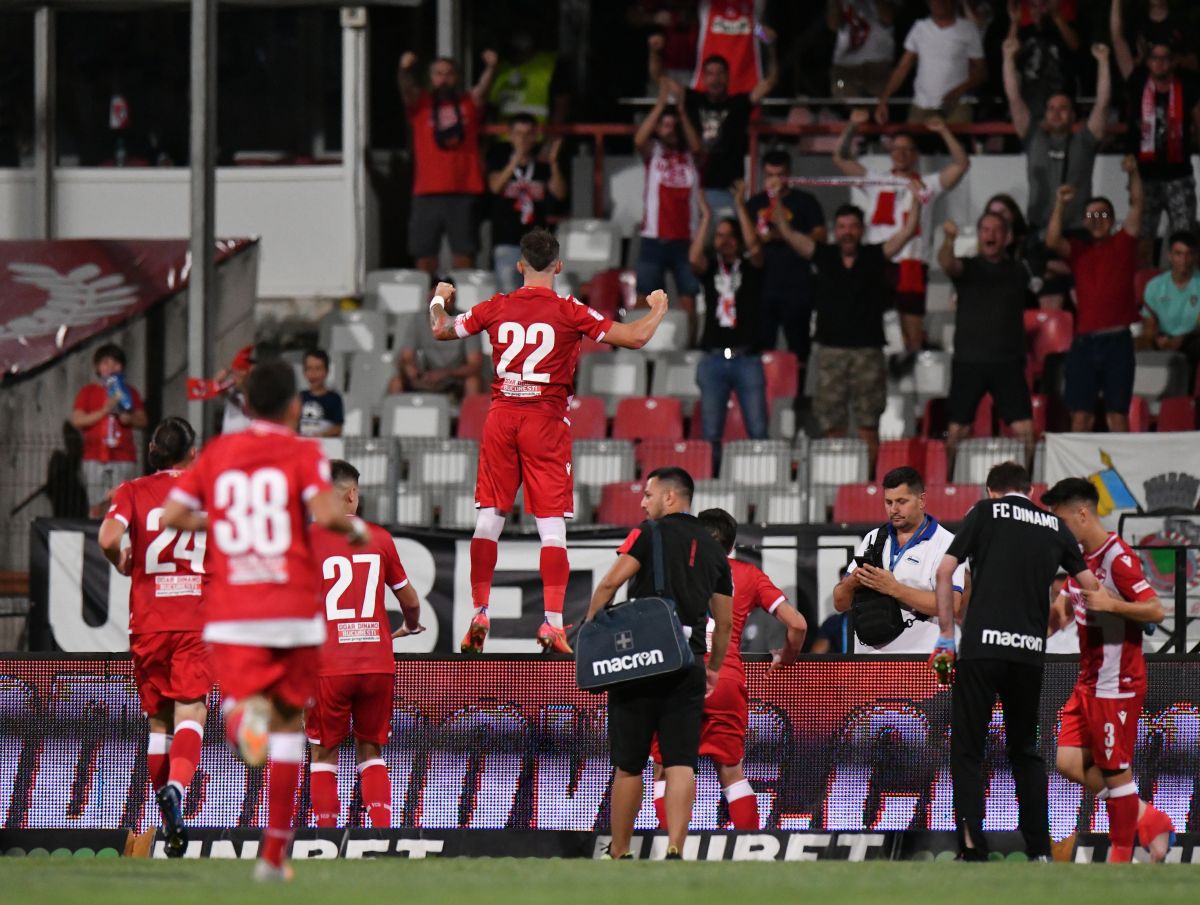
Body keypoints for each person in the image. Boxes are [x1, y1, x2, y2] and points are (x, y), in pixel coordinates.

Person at [161, 359, 371, 881]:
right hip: (293, 612)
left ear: (246, 404)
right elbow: (326, 516)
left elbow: (172, 517)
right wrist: (356, 534)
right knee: (287, 732)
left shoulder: (218, 453)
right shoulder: (303, 451)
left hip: (232, 614)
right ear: (296, 407)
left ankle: (238, 726)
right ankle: (272, 859)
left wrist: (224, 519)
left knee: (239, 710)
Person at [429, 228, 670, 654]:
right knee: (551, 527)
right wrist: (657, 309)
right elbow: (635, 338)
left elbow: (442, 329)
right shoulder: (569, 310)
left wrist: (439, 298)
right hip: (546, 420)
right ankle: (553, 623)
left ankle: (480, 611)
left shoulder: (496, 306)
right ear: (558, 265)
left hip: (502, 418)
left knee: (489, 519)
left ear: (520, 266)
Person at [932, 461, 1100, 861]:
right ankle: (1039, 850)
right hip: (1028, 653)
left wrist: (944, 637)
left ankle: (973, 847)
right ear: (1028, 489)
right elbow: (1090, 585)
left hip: (982, 648)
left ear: (993, 491)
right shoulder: (1054, 526)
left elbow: (944, 571)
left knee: (969, 749)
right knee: (1025, 751)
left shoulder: (984, 512)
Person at [585, 467, 734, 860]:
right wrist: (714, 666)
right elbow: (725, 621)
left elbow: (608, 585)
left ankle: (619, 851)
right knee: (682, 760)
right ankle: (674, 847)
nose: (642, 501)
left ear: (670, 497)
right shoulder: (716, 548)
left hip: (641, 660)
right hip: (689, 663)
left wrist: (590, 633)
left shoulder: (647, 534)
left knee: (630, 764)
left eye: (648, 494)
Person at [1041, 477, 1176, 862]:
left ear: (1083, 514)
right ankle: (1150, 819)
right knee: (1068, 761)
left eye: (1062, 520)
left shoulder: (1117, 556)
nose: (1059, 529)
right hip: (1088, 681)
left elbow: (1155, 610)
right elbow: (1060, 615)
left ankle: (1120, 857)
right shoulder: (1079, 559)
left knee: (1114, 772)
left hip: (1117, 684)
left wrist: (1112, 605)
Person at [650, 507, 807, 832]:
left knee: (666, 769)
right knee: (732, 772)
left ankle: (673, 848)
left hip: (677, 678)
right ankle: (748, 849)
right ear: (732, 546)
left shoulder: (672, 571)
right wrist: (788, 656)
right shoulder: (749, 575)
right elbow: (798, 625)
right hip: (725, 680)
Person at [97, 417, 208, 858]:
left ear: (151, 454)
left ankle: (168, 825)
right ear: (193, 454)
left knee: (158, 724)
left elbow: (108, 536)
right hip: (196, 618)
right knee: (192, 712)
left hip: (148, 622)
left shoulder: (132, 491)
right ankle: (177, 790)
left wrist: (122, 558)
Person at [307, 459, 424, 829]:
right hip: (376, 661)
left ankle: (325, 839)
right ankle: (382, 837)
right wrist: (409, 626)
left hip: (329, 664)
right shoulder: (380, 538)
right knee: (371, 752)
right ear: (352, 495)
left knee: (324, 753)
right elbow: (410, 600)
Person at [772, 194, 922, 466]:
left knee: (868, 424)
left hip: (868, 352)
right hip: (830, 351)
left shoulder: (875, 255)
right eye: (842, 227)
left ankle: (867, 483)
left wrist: (917, 199)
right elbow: (787, 232)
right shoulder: (824, 254)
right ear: (834, 230)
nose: (847, 232)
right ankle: (840, 479)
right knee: (832, 424)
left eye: (852, 226)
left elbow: (909, 231)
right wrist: (777, 197)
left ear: (861, 230)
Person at [834, 110, 971, 355]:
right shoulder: (875, 180)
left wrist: (943, 131)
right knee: (868, 327)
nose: (901, 153)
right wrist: (852, 127)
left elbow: (962, 164)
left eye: (907, 149)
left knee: (913, 335)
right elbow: (840, 158)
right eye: (896, 149)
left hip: (912, 264)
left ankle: (913, 384)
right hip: (877, 262)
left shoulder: (927, 185)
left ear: (916, 155)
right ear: (890, 153)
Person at [1046, 158, 1144, 432]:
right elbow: (1052, 240)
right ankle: (1077, 476)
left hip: (1118, 343)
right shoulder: (1078, 251)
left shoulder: (1124, 243)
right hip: (1084, 345)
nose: (1096, 220)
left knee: (1118, 417)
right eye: (1091, 216)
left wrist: (1134, 174)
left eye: (1102, 215)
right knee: (1081, 418)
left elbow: (1137, 205)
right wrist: (1061, 204)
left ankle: (1124, 474)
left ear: (1112, 220)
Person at [939, 212, 1037, 469]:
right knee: (955, 430)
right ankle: (946, 483)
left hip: (1008, 363)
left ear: (1007, 237)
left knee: (1026, 430)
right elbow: (947, 264)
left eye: (996, 230)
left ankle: (1028, 482)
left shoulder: (1019, 270)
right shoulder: (967, 267)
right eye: (985, 229)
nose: (990, 235)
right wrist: (949, 240)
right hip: (968, 362)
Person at [832, 467, 967, 653]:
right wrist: (851, 583)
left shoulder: (946, 543)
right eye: (888, 502)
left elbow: (951, 605)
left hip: (918, 659)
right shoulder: (872, 538)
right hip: (869, 662)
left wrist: (894, 589)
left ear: (922, 501)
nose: (894, 509)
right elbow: (840, 603)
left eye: (901, 502)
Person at [397, 50, 498, 276]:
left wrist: (491, 68)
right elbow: (406, 90)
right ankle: (430, 304)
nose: (444, 78)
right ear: (431, 78)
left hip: (464, 189)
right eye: (438, 73)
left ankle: (463, 304)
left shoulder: (469, 103)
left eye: (449, 74)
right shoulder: (421, 104)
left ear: (458, 78)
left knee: (464, 253)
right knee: (424, 254)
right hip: (426, 191)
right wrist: (404, 70)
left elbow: (483, 90)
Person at [1111, 22, 1200, 266]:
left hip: (1179, 176)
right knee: (1142, 239)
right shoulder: (1137, 83)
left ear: (1173, 62)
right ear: (1147, 61)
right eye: (1155, 58)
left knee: (1185, 240)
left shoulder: (1188, 87)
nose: (1160, 63)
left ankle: (1185, 296)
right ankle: (1144, 296)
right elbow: (1118, 41)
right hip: (1143, 176)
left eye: (1165, 58)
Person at [689, 205, 768, 473]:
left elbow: (756, 249)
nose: (725, 241)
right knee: (711, 431)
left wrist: (741, 209)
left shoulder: (751, 268)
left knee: (758, 428)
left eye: (730, 235)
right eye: (720, 236)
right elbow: (693, 258)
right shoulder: (711, 269)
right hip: (713, 359)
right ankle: (713, 481)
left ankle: (763, 477)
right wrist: (707, 219)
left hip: (747, 357)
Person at [1004, 39, 1111, 238]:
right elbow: (1014, 98)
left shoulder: (1084, 141)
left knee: (1104, 212)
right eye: (1051, 109)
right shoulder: (1033, 137)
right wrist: (1008, 58)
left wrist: (1103, 62)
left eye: (1063, 108)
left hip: (1078, 232)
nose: (1056, 113)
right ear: (1044, 114)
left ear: (1073, 115)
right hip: (1038, 231)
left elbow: (1102, 104)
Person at [634, 79, 704, 334]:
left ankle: (688, 345)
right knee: (645, 296)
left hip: (686, 238)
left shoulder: (691, 156)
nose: (669, 130)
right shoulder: (653, 151)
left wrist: (682, 113)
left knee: (688, 296)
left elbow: (697, 145)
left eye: (673, 126)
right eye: (664, 125)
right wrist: (661, 104)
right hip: (654, 236)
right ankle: (640, 343)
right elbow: (639, 138)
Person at [680, 38, 778, 218]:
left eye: (720, 74)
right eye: (710, 73)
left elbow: (770, 82)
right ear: (703, 77)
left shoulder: (738, 104)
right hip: (695, 189)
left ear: (727, 76)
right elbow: (660, 78)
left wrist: (770, 47)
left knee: (728, 242)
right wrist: (655, 51)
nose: (715, 79)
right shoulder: (693, 100)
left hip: (730, 191)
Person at [742, 151, 826, 361]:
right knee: (761, 345)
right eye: (770, 175)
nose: (774, 180)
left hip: (798, 284)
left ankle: (800, 391)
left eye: (779, 175)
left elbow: (820, 235)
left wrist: (785, 236)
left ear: (788, 173)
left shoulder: (805, 201)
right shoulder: (755, 203)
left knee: (799, 346)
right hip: (763, 285)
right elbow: (745, 239)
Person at [486, 113, 567, 294]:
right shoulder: (499, 160)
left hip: (537, 243)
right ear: (510, 135)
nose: (523, 139)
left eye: (528, 134)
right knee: (507, 293)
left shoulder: (541, 166)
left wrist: (553, 163)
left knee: (538, 294)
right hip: (507, 240)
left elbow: (559, 193)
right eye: (519, 134)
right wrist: (515, 159)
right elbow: (495, 186)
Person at [875, 0, 986, 125]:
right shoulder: (920, 28)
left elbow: (981, 72)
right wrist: (884, 100)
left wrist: (958, 90)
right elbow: (902, 68)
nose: (938, 4)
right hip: (921, 106)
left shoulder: (968, 30)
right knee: (913, 143)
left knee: (954, 143)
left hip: (957, 106)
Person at [71, 342, 148, 512]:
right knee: (95, 504)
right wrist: (104, 410)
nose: (111, 367)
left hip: (123, 455)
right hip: (94, 455)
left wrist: (129, 419)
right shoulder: (88, 391)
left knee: (120, 502)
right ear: (98, 367)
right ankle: (96, 534)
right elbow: (78, 420)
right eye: (106, 363)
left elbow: (143, 420)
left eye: (115, 363)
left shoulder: (130, 392)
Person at [389, 291, 485, 398]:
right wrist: (411, 368)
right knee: (396, 382)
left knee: (473, 382)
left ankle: (470, 414)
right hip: (426, 376)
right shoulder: (417, 320)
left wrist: (446, 373)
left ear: (453, 299)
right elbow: (407, 356)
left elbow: (475, 365)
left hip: (455, 379)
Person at [1141, 230, 1200, 387]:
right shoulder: (1154, 286)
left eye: (1189, 254)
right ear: (1169, 256)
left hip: (1192, 339)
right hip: (1164, 338)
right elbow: (1149, 323)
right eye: (1178, 254)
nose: (1184, 260)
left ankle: (1187, 402)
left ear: (1195, 257)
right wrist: (1156, 340)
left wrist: (1181, 339)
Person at [1006, 0, 1081, 122]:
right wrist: (1014, 23)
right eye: (1033, 6)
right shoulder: (1025, 31)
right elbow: (1009, 53)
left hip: (1060, 99)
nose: (1037, 11)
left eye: (1042, 6)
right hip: (1031, 100)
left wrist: (1057, 17)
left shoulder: (1062, 27)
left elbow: (1075, 45)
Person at [827, 1, 898, 102]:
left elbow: (888, 18)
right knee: (840, 90)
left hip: (878, 65)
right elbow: (833, 25)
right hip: (845, 67)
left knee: (878, 105)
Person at [298, 349, 344, 439]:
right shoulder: (299, 397)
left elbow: (338, 428)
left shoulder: (334, 398)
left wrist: (322, 435)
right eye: (309, 368)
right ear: (304, 372)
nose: (313, 374)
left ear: (327, 371)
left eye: (318, 369)